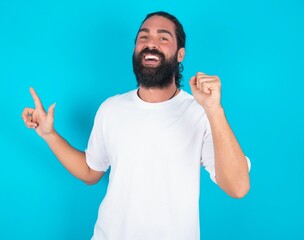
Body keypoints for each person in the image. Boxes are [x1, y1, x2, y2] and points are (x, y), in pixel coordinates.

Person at [22, 11, 250, 240]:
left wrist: (214, 109)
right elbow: (91, 172)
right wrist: (49, 134)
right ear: (135, 49)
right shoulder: (111, 109)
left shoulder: (200, 114)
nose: (151, 43)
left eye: (163, 38)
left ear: (180, 54)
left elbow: (238, 187)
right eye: (143, 37)